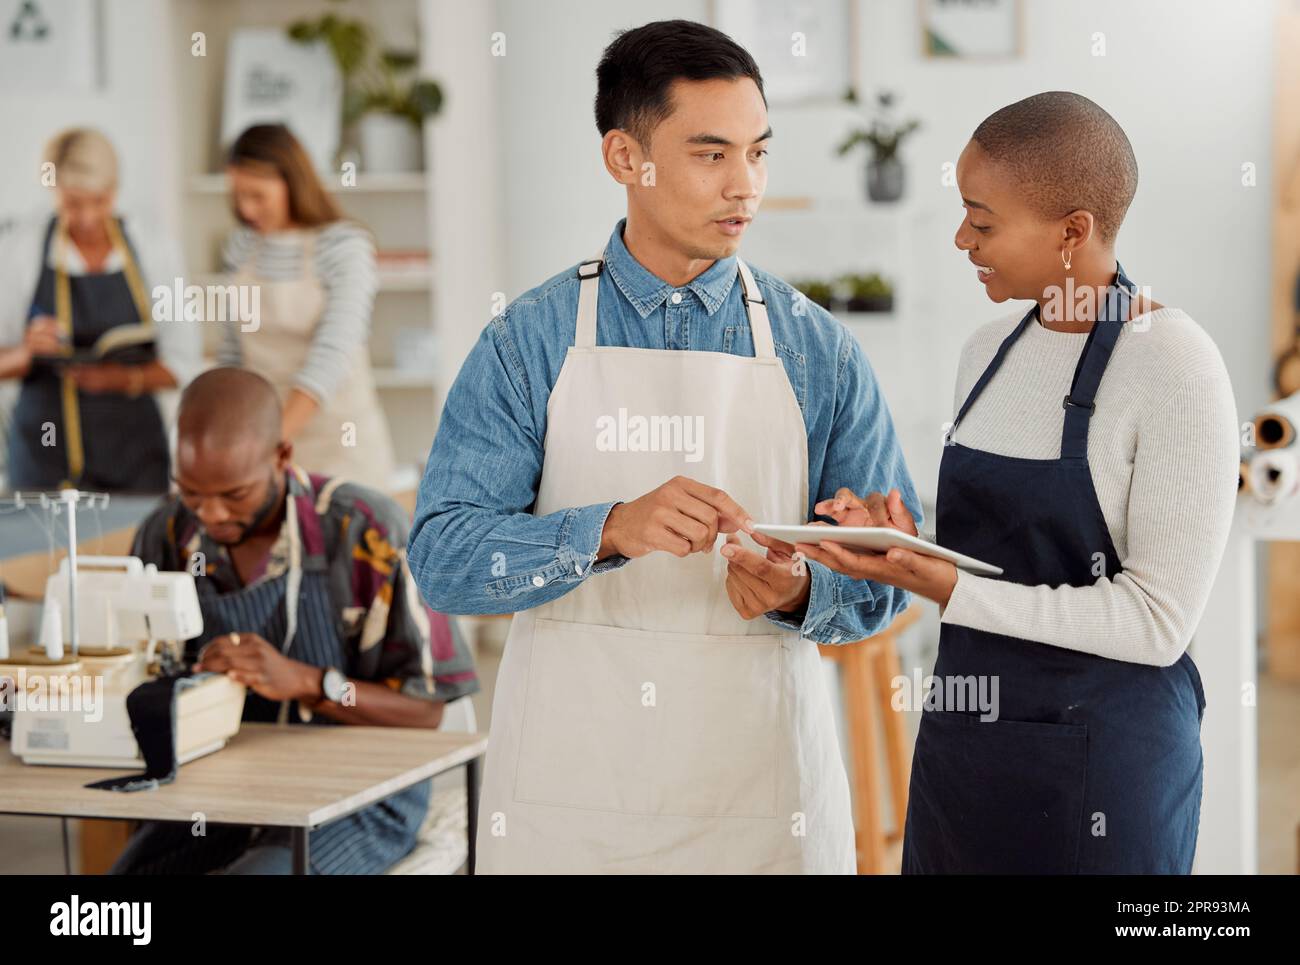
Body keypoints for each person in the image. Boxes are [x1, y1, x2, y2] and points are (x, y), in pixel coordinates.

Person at [408, 20, 920, 874]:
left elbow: (886, 578)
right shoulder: (527, 342)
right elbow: (443, 559)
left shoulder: (816, 348)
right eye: (711, 154)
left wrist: (802, 590)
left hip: (764, 798)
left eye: (759, 152)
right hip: (571, 802)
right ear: (624, 158)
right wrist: (605, 529)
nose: (745, 186)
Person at [790, 92, 1236, 874]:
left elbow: (1158, 621)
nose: (962, 238)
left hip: (1105, 771)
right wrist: (899, 545)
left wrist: (947, 588)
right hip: (966, 752)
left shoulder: (1173, 363)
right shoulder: (987, 351)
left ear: (1073, 231)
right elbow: (1004, 566)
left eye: (982, 220)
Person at [110, 368, 478, 874]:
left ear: (282, 455)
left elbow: (425, 710)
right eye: (191, 492)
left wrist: (307, 683)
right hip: (219, 788)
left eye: (233, 495)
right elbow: (144, 671)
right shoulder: (168, 532)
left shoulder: (363, 530)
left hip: (360, 791)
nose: (210, 514)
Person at [0, 128, 199, 491]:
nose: (88, 218)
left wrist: (119, 379)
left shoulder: (155, 247)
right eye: (72, 204)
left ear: (115, 190)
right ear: (53, 193)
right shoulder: (19, 249)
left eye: (100, 201)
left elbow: (183, 362)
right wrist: (25, 352)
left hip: (136, 458)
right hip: (43, 454)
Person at [219, 124, 396, 492]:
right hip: (266, 437)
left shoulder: (343, 246)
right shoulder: (240, 249)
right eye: (238, 196)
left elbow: (333, 353)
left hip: (338, 441)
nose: (247, 209)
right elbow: (232, 355)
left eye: (258, 195)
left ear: (292, 182)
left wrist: (270, 441)